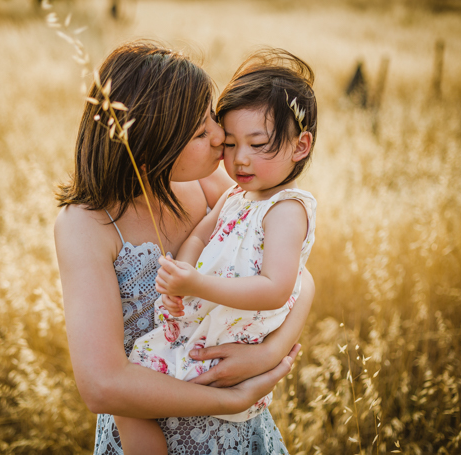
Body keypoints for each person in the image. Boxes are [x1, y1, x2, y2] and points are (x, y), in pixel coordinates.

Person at [54, 41, 315, 455]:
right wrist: (230, 399)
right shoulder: (87, 226)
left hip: (237, 432)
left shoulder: (210, 187)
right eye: (199, 132)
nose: (219, 137)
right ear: (149, 149)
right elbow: (103, 386)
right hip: (158, 424)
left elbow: (296, 276)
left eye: (211, 117)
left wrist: (269, 353)